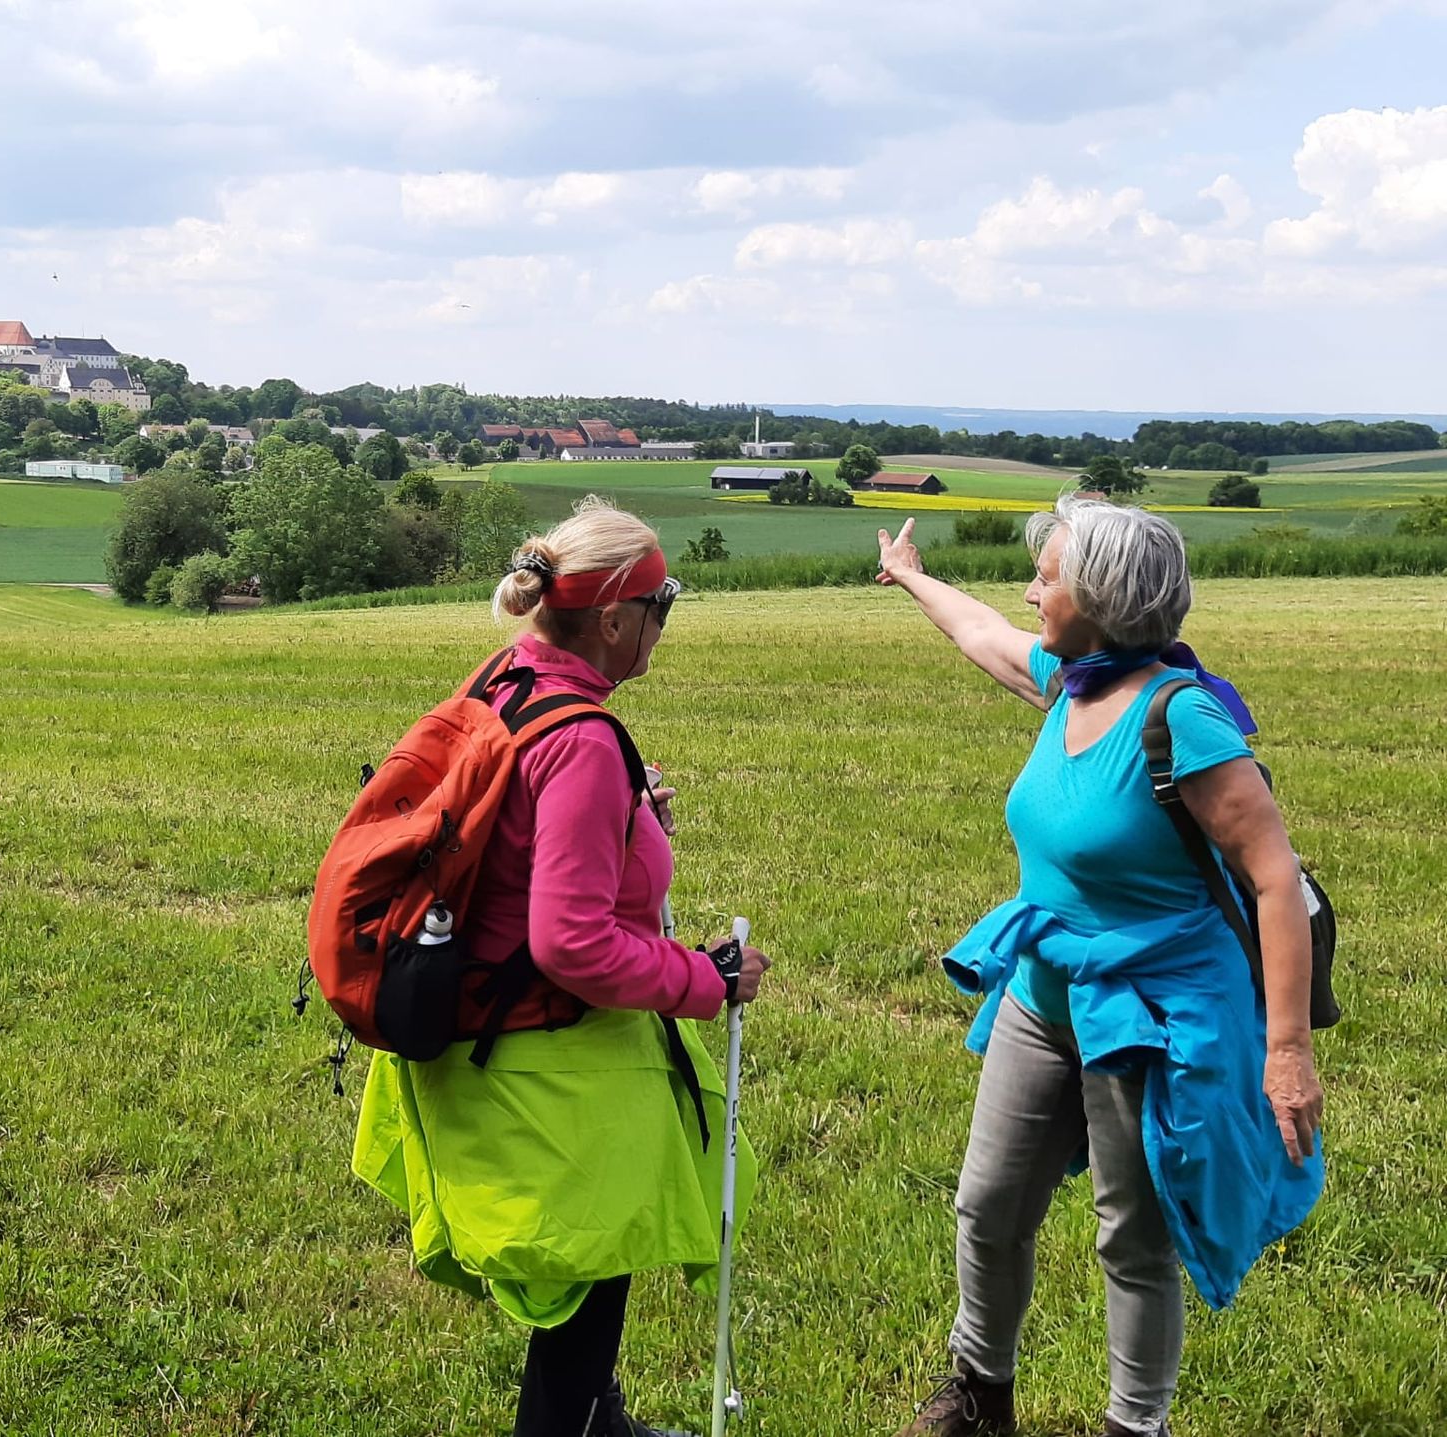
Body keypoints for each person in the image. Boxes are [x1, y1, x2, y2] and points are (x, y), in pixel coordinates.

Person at [874, 497, 1325, 1437]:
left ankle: (1134, 1425)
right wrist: (911, 576)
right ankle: (979, 1394)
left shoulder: (1181, 717)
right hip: (1044, 996)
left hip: (1153, 1016)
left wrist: (1287, 1051)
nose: (1031, 588)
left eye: (1050, 575)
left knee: (1133, 1239)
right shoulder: (1074, 683)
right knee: (988, 1204)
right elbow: (984, 636)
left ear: (1106, 596)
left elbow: (1275, 880)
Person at [353, 497, 770, 1437]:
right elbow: (571, 943)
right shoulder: (582, 740)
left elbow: (514, 834)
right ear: (616, 619)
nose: (665, 623)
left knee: (594, 1267)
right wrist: (706, 979)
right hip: (542, 1058)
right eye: (663, 604)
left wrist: (626, 820)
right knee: (589, 1285)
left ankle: (604, 1425)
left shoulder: (509, 676)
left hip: (481, 1025)